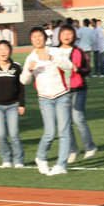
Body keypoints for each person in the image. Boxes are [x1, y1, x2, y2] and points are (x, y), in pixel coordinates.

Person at [20, 27, 73, 176]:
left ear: (45, 38)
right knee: (50, 133)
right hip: (44, 98)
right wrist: (28, 70)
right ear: (31, 40)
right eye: (34, 37)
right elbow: (24, 81)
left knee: (64, 131)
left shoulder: (55, 51)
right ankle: (41, 158)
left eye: (39, 36)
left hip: (61, 94)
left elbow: (69, 66)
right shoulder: (30, 58)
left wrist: (52, 59)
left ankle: (61, 165)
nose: (37, 39)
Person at [0, 40, 26, 168]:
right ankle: (6, 159)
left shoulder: (16, 67)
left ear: (10, 51)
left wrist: (22, 104)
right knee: (0, 134)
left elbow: (21, 87)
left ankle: (18, 160)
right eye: (0, 49)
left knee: (14, 134)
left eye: (6, 49)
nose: (3, 52)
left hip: (13, 105)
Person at [60, 24, 97, 163]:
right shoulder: (55, 52)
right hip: (61, 90)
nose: (66, 36)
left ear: (74, 36)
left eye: (69, 33)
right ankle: (73, 150)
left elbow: (87, 70)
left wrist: (78, 70)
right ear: (59, 36)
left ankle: (89, 147)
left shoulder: (79, 51)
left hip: (78, 89)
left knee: (78, 118)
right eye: (64, 33)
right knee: (65, 122)